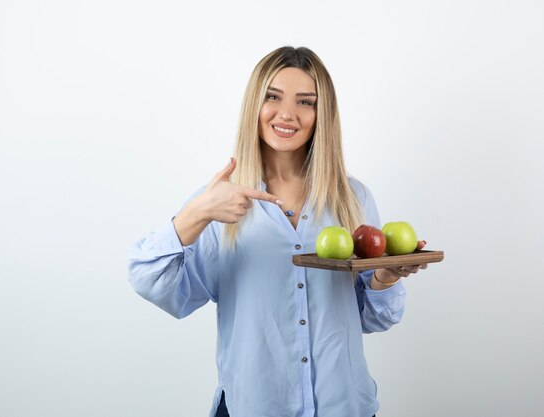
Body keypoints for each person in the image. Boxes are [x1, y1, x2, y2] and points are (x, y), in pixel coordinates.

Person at [128, 46, 427, 417]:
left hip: (344, 405)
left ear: (322, 115)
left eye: (305, 101)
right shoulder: (220, 203)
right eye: (273, 96)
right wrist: (198, 212)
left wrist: (384, 277)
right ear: (255, 103)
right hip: (252, 405)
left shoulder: (353, 199)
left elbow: (372, 318)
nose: (287, 113)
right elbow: (152, 281)